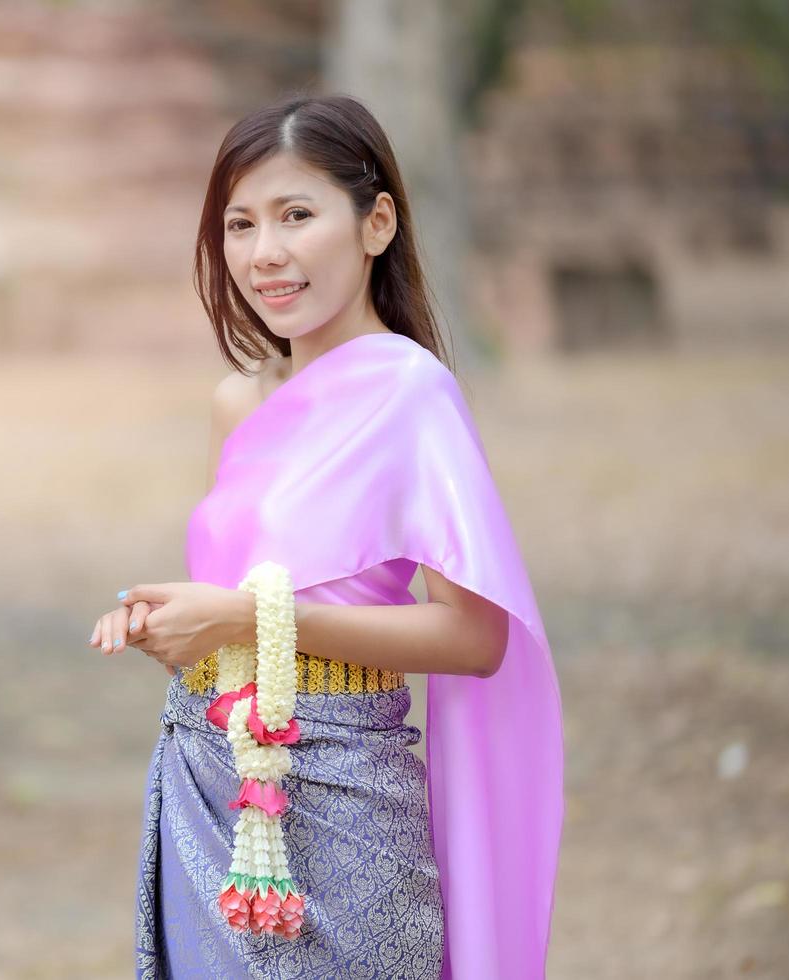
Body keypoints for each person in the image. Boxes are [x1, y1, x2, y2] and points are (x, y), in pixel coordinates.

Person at [88, 93, 565, 979]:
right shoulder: (237, 402)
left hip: (345, 799)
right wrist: (172, 625)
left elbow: (473, 635)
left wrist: (241, 619)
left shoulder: (409, 397)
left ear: (375, 222)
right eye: (239, 224)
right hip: (210, 782)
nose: (263, 253)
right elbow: (240, 600)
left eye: (295, 215)